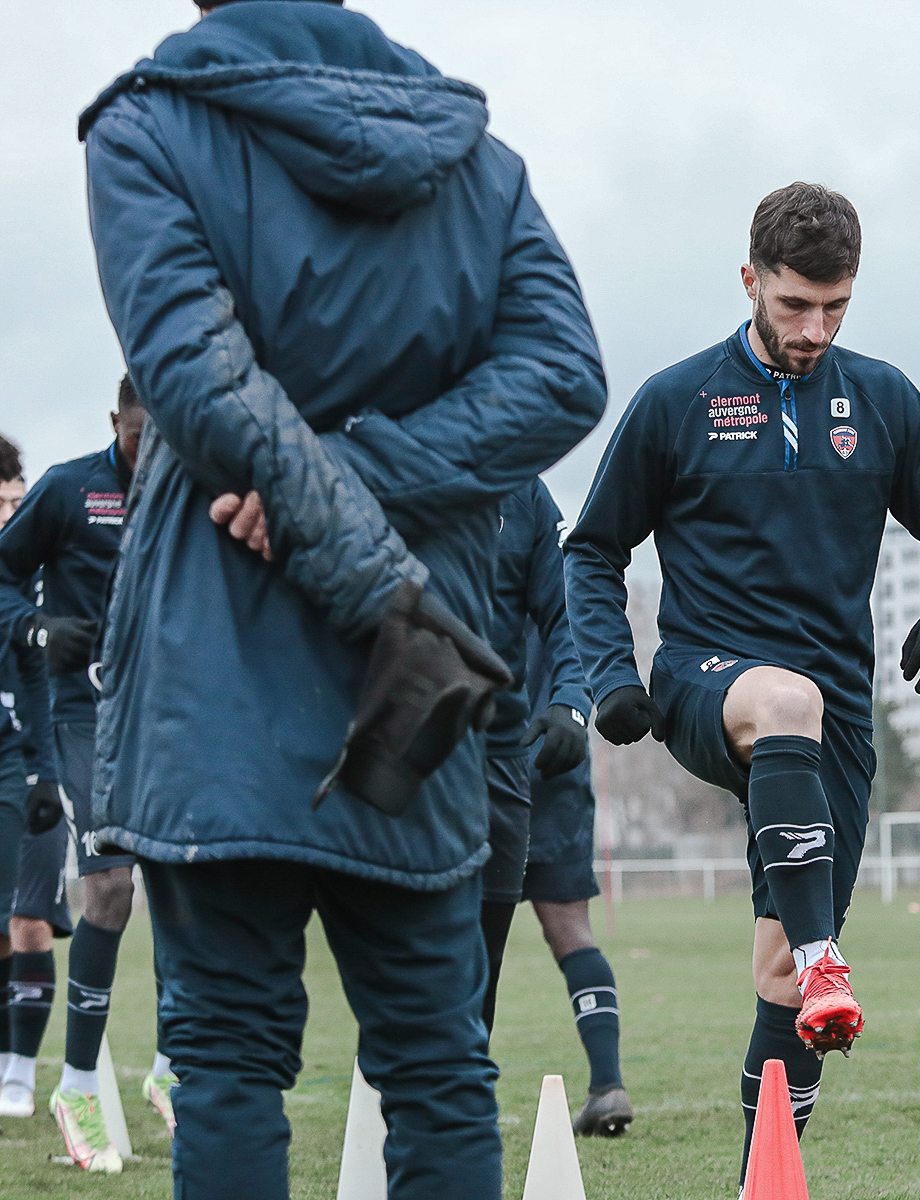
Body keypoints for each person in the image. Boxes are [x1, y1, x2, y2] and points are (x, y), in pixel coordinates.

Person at [78, 0, 605, 1196]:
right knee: (435, 1065)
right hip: (415, 657)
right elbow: (558, 373)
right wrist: (368, 497)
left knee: (225, 1058)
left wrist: (322, 487)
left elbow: (197, 385)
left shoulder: (147, 130)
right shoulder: (478, 163)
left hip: (227, 651)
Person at [564, 182, 920, 1184]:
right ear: (751, 279)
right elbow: (590, 551)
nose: (814, 328)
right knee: (784, 707)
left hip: (833, 711)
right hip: (703, 676)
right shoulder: (676, 401)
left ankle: (767, 1172)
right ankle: (823, 960)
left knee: (780, 983)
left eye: (835, 307)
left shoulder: (881, 397)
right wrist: (610, 675)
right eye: (796, 304)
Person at [0, 380, 153, 1170]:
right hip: (83, 718)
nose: (145, 448)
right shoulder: (68, 489)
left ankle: (174, 1071)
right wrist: (32, 624)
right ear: (114, 424)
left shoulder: (198, 486)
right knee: (113, 890)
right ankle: (80, 1084)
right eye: (134, 434)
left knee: (202, 886)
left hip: (171, 719)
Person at [477, 477, 631, 1136]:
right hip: (554, 748)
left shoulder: (525, 508)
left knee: (460, 932)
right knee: (570, 929)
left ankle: (456, 1087)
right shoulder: (549, 537)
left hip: (501, 751)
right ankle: (608, 1084)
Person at [0, 433, 72, 1131]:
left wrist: (47, 770)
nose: (12, 515)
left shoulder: (42, 578)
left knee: (28, 921)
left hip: (36, 761)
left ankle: (19, 1077)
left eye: (17, 503)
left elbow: (45, 684)